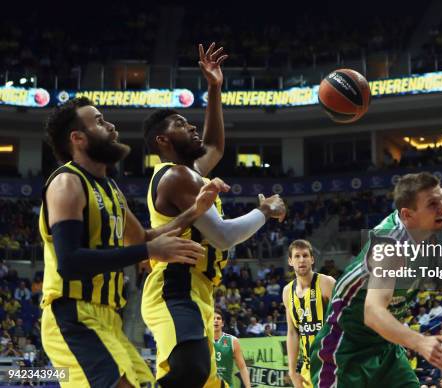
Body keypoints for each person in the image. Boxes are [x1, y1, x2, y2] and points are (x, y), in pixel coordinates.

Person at [310, 133, 442, 387]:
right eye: (433, 205)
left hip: (384, 349)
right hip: (344, 352)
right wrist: (419, 342)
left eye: (440, 202)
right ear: (407, 215)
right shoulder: (389, 245)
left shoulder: (424, 217)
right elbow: (373, 312)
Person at [40, 96, 218, 388]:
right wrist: (149, 251)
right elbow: (70, 263)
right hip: (73, 316)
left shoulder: (110, 190)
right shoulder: (67, 183)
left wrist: (195, 211)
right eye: (99, 121)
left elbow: (144, 237)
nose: (110, 125)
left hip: (109, 319)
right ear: (78, 138)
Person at [141, 42, 286, 387]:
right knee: (190, 370)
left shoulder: (191, 172)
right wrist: (264, 211)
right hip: (175, 288)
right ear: (162, 139)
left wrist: (214, 88)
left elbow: (216, 147)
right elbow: (221, 237)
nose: (191, 127)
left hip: (200, 292)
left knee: (202, 379)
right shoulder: (177, 176)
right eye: (181, 124)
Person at [282, 240, 335, 388]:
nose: (301, 260)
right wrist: (292, 372)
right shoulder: (287, 292)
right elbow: (292, 333)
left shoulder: (326, 283)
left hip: (333, 363)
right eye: (297, 256)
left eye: (305, 255)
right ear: (290, 261)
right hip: (308, 367)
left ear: (312, 259)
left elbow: (345, 322)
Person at [213, 310, 250, 388]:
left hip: (227, 385)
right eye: (213, 318)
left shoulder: (233, 340)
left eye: (218, 318)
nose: (216, 320)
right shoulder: (203, 341)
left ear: (222, 323)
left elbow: (242, 367)